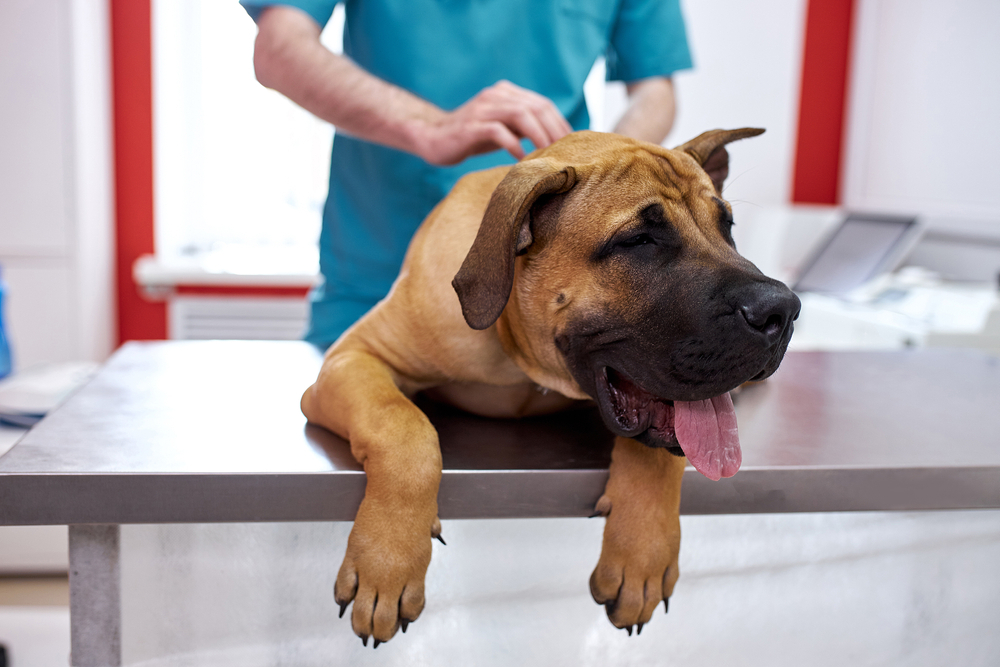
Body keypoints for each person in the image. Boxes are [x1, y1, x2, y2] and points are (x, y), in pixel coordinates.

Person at [241, 0, 692, 349]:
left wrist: (609, 177)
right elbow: (280, 46)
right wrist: (431, 127)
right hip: (377, 287)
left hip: (546, 299)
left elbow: (655, 90)